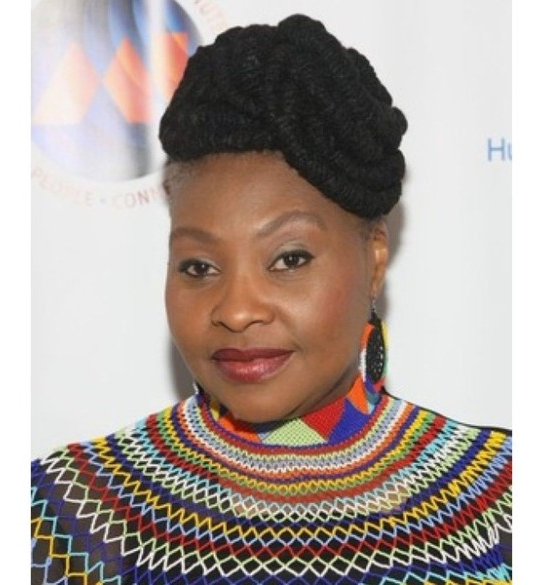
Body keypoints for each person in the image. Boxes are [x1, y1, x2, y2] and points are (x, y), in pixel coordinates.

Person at [31, 14, 512, 584]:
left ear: (375, 259)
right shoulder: (68, 515)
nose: (237, 310)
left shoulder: (500, 503)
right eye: (199, 266)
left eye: (289, 259)